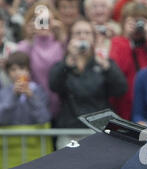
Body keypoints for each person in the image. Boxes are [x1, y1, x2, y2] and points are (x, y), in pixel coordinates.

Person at [49, 18, 127, 148]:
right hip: (70, 131)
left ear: (93, 38)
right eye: (77, 33)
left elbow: (121, 89)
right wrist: (67, 64)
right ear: (70, 39)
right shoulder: (64, 65)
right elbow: (53, 85)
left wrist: (107, 66)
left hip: (98, 129)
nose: (82, 36)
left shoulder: (102, 63)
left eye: (86, 33)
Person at [16, 0, 66, 119]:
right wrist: (30, 37)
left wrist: (62, 33)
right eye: (38, 19)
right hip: (35, 108)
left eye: (47, 20)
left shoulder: (61, 44)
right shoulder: (24, 47)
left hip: (61, 108)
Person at [108, 2, 147, 120]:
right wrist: (127, 38)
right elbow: (118, 70)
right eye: (132, 22)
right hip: (123, 106)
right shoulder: (118, 43)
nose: (137, 26)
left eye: (141, 22)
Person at [0, 51, 50, 125]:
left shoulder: (38, 90)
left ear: (28, 71)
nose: (17, 73)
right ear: (8, 72)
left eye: (22, 68)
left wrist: (31, 97)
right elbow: (1, 120)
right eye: (13, 69)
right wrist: (14, 96)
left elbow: (44, 118)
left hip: (34, 136)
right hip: (11, 136)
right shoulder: (3, 92)